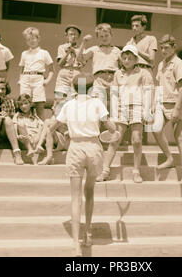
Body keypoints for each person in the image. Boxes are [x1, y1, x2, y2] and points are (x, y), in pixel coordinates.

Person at [48, 72, 116, 256]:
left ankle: (76, 244)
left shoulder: (68, 105)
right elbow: (111, 127)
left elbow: (52, 127)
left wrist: (66, 132)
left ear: (73, 88)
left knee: (75, 198)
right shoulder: (97, 103)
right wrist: (114, 130)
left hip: (76, 147)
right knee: (90, 192)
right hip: (94, 146)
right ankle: (88, 233)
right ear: (92, 88)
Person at [96, 45, 154, 183]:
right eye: (124, 57)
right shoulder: (117, 74)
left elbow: (149, 91)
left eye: (130, 58)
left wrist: (149, 109)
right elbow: (115, 94)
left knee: (136, 140)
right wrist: (114, 112)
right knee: (115, 140)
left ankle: (136, 171)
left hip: (138, 108)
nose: (127, 60)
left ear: (135, 59)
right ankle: (105, 171)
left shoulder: (144, 73)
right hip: (121, 109)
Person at [153, 35, 182, 184]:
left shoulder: (179, 64)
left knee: (179, 136)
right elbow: (159, 85)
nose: (163, 50)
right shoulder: (161, 64)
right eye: (161, 48)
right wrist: (155, 103)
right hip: (162, 103)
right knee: (156, 129)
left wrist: (177, 108)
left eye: (166, 48)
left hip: (177, 103)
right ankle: (169, 158)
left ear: (174, 47)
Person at [78, 23, 120, 109]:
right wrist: (84, 42)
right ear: (97, 38)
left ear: (111, 35)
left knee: (114, 108)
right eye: (101, 36)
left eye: (106, 35)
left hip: (113, 79)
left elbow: (124, 66)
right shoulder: (94, 49)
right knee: (99, 107)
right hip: (98, 80)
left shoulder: (117, 50)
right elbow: (79, 58)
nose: (104, 38)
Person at [18, 27, 54, 119]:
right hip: (26, 79)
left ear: (38, 39)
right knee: (24, 105)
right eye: (29, 39)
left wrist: (47, 81)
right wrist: (20, 79)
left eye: (33, 38)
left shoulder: (44, 53)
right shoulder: (24, 54)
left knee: (39, 106)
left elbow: (52, 70)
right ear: (26, 41)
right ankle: (25, 128)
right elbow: (21, 69)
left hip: (38, 79)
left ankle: (41, 129)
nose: (31, 41)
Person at [54, 25, 89, 100]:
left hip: (78, 72)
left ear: (79, 36)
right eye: (71, 34)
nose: (73, 37)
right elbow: (60, 64)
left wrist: (75, 51)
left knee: (80, 99)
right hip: (64, 73)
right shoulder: (62, 47)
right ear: (66, 36)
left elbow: (83, 64)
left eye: (75, 34)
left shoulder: (82, 48)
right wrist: (67, 52)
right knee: (60, 99)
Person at [13, 94, 45, 158]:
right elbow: (14, 125)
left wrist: (37, 138)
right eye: (21, 105)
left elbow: (42, 126)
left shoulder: (35, 116)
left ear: (30, 104)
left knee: (44, 125)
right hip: (25, 139)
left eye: (25, 103)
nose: (23, 106)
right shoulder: (17, 116)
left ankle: (38, 145)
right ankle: (29, 149)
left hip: (36, 138)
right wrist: (16, 135)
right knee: (21, 124)